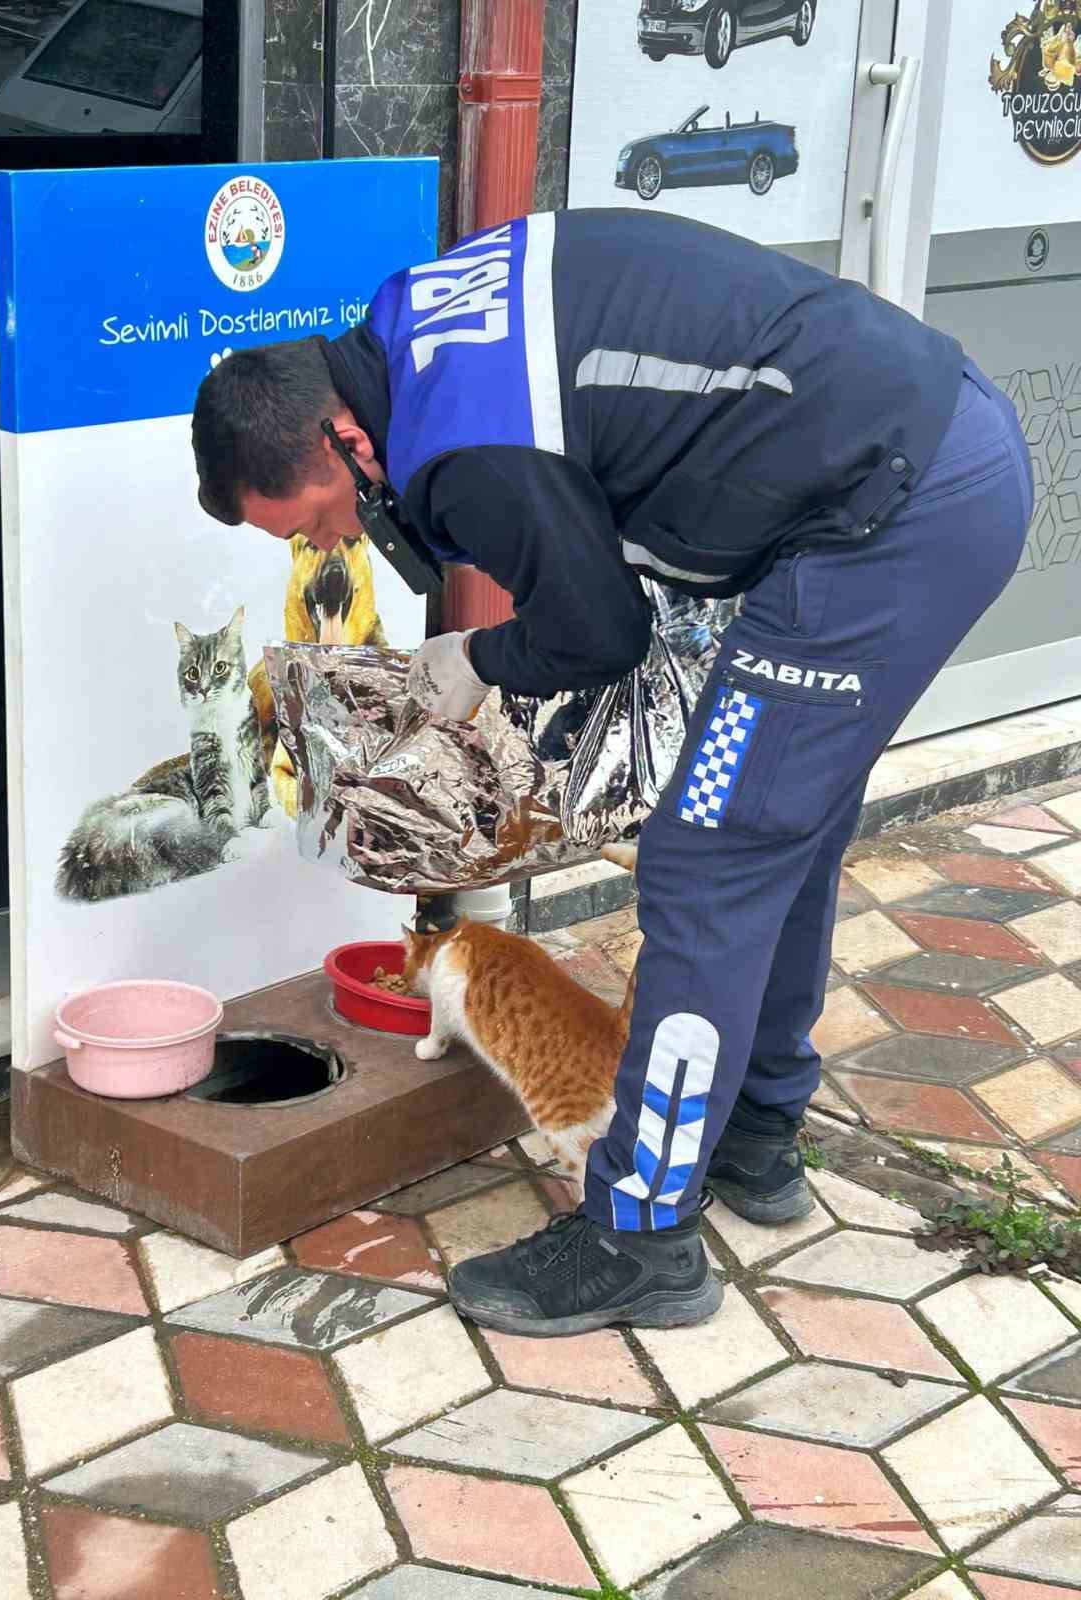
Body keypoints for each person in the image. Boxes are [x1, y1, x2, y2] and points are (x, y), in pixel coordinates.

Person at [191, 207, 1033, 1339]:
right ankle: (756, 1131)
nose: (332, 544)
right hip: (924, 450)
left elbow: (597, 631)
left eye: (322, 518)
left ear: (344, 439)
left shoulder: (462, 449)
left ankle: (639, 1237)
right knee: (781, 820)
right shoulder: (409, 327)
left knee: (708, 858)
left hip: (891, 517)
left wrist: (474, 659)